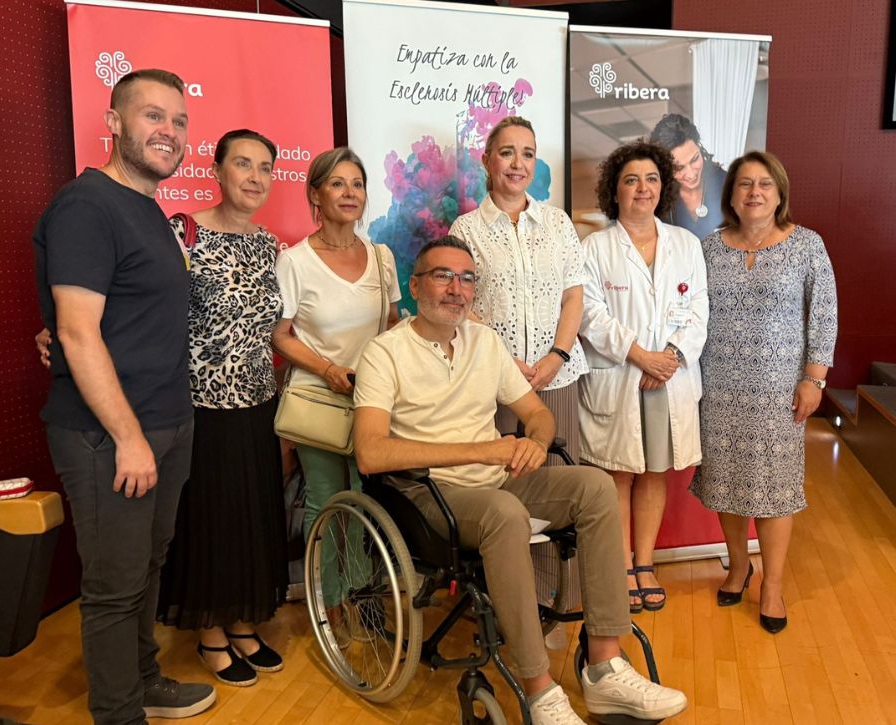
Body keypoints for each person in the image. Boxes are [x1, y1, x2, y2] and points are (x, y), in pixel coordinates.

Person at [353, 236, 688, 725]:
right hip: (428, 495)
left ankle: (604, 667)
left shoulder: (485, 343)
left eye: (467, 279)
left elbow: (536, 413)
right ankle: (540, 690)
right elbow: (370, 453)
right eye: (443, 276)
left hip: (496, 482)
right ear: (416, 285)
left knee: (595, 487)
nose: (456, 289)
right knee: (505, 512)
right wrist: (483, 450)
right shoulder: (385, 353)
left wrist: (535, 439)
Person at [31, 69, 215, 723]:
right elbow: (78, 333)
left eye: (179, 120)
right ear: (113, 122)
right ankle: (119, 712)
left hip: (166, 422)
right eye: (152, 116)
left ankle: (143, 680)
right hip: (107, 435)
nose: (170, 131)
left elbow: (111, 317)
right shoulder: (88, 206)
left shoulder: (147, 208)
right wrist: (129, 437)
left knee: (147, 565)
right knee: (114, 586)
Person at [155, 129, 287, 687]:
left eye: (264, 168)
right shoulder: (184, 233)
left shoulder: (271, 246)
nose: (255, 177)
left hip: (257, 403)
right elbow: (152, 313)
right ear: (217, 170)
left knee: (250, 518)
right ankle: (209, 630)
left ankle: (241, 623)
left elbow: (277, 329)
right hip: (200, 406)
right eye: (243, 164)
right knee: (209, 519)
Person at [689, 151, 837, 634]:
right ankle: (738, 568)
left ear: (779, 194)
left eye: (765, 184)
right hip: (718, 388)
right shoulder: (709, 249)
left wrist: (814, 379)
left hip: (779, 393)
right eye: (745, 184)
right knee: (726, 483)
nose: (755, 192)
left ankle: (772, 585)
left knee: (775, 489)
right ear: (731, 195)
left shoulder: (807, 245)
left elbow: (824, 315)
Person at [271, 147, 400, 643]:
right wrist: (327, 370)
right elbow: (280, 335)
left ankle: (362, 598)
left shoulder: (382, 258)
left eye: (357, 184)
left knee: (367, 501)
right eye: (338, 184)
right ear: (315, 194)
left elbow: (392, 325)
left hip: (372, 401)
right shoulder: (295, 261)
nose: (350, 193)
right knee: (326, 502)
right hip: (319, 400)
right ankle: (329, 605)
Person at [578, 140, 709, 614]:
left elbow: (698, 309)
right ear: (615, 190)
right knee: (620, 473)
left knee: (655, 471)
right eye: (631, 180)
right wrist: (640, 356)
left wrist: (669, 358)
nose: (642, 188)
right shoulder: (595, 248)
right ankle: (619, 567)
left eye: (651, 179)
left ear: (663, 187)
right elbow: (589, 314)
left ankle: (645, 564)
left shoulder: (686, 244)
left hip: (668, 378)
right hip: (622, 375)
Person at [449, 116, 587, 460]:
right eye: (507, 152)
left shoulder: (558, 222)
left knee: (561, 479)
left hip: (557, 375)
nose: (517, 164)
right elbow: (460, 306)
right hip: (493, 378)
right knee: (503, 478)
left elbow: (573, 296)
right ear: (487, 160)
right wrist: (504, 362)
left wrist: (557, 357)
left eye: (527, 154)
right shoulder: (465, 230)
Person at [650, 114, 727, 240]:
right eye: (679, 168)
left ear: (699, 147)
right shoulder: (659, 199)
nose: (691, 174)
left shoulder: (728, 185)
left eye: (694, 159)